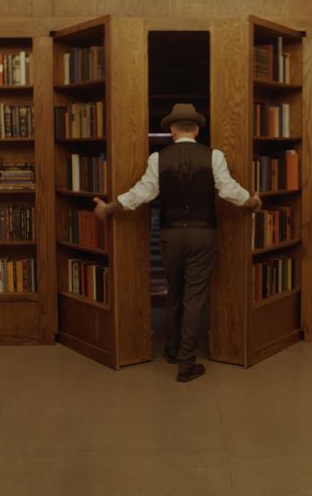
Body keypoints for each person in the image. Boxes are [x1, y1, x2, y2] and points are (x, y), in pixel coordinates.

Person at [94, 103, 261, 382]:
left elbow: (142, 192)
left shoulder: (158, 158)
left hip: (170, 234)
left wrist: (109, 208)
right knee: (194, 297)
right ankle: (186, 362)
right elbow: (228, 189)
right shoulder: (214, 155)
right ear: (196, 130)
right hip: (203, 233)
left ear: (172, 130)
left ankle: (172, 349)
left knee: (174, 291)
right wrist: (251, 202)